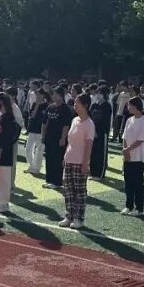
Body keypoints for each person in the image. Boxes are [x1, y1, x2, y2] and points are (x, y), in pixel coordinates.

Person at [59, 94, 94, 229]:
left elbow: (89, 146)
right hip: (69, 159)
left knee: (79, 191)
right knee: (68, 190)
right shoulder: (74, 120)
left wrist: (85, 163)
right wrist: (65, 157)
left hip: (80, 162)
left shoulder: (89, 124)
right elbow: (70, 141)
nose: (74, 105)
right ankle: (69, 216)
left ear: (85, 105)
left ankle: (78, 218)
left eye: (77, 103)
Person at [0, 92, 21, 214]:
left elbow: (6, 137)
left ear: (1, 102)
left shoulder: (8, 118)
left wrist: (0, 151)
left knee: (4, 179)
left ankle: (3, 203)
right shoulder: (2, 116)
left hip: (4, 152)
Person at [120, 97, 144, 216]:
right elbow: (125, 137)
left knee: (137, 182)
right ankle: (129, 205)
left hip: (139, 157)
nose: (128, 107)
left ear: (136, 106)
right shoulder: (129, 120)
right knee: (128, 181)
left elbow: (141, 140)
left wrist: (128, 150)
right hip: (128, 156)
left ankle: (139, 208)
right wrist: (125, 151)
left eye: (129, 105)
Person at [41, 88, 72, 190]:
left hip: (58, 138)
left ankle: (57, 182)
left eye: (56, 95)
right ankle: (49, 180)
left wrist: (63, 138)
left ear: (61, 96)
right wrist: (43, 135)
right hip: (49, 137)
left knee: (57, 160)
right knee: (49, 159)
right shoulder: (50, 107)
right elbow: (44, 123)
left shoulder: (66, 109)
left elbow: (66, 125)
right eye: (53, 94)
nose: (54, 97)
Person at [89, 86, 112, 179]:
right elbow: (90, 118)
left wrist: (98, 131)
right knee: (93, 152)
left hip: (102, 133)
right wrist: (92, 130)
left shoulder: (107, 106)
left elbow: (106, 121)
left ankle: (100, 174)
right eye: (97, 93)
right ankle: (93, 173)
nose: (98, 95)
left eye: (100, 93)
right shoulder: (94, 105)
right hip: (92, 132)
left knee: (101, 153)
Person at [25, 89, 48, 176]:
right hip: (33, 129)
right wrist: (37, 105)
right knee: (28, 148)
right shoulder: (34, 104)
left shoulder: (47, 105)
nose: (37, 96)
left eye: (39, 94)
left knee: (39, 150)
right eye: (36, 94)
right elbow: (32, 115)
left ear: (43, 95)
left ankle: (37, 168)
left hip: (41, 130)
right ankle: (31, 166)